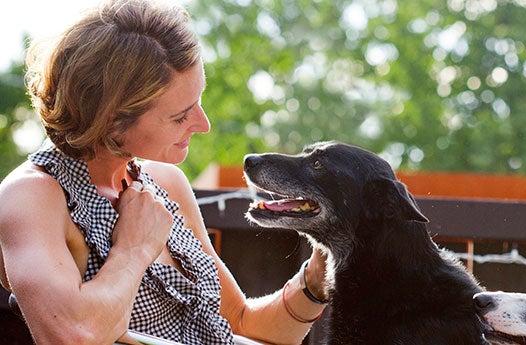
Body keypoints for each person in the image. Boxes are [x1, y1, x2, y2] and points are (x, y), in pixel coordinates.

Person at [0, 0, 330, 344]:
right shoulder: (33, 196)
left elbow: (239, 323)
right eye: (179, 116)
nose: (203, 124)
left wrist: (313, 284)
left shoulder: (165, 183)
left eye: (198, 102)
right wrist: (133, 248)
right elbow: (71, 337)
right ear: (112, 120)